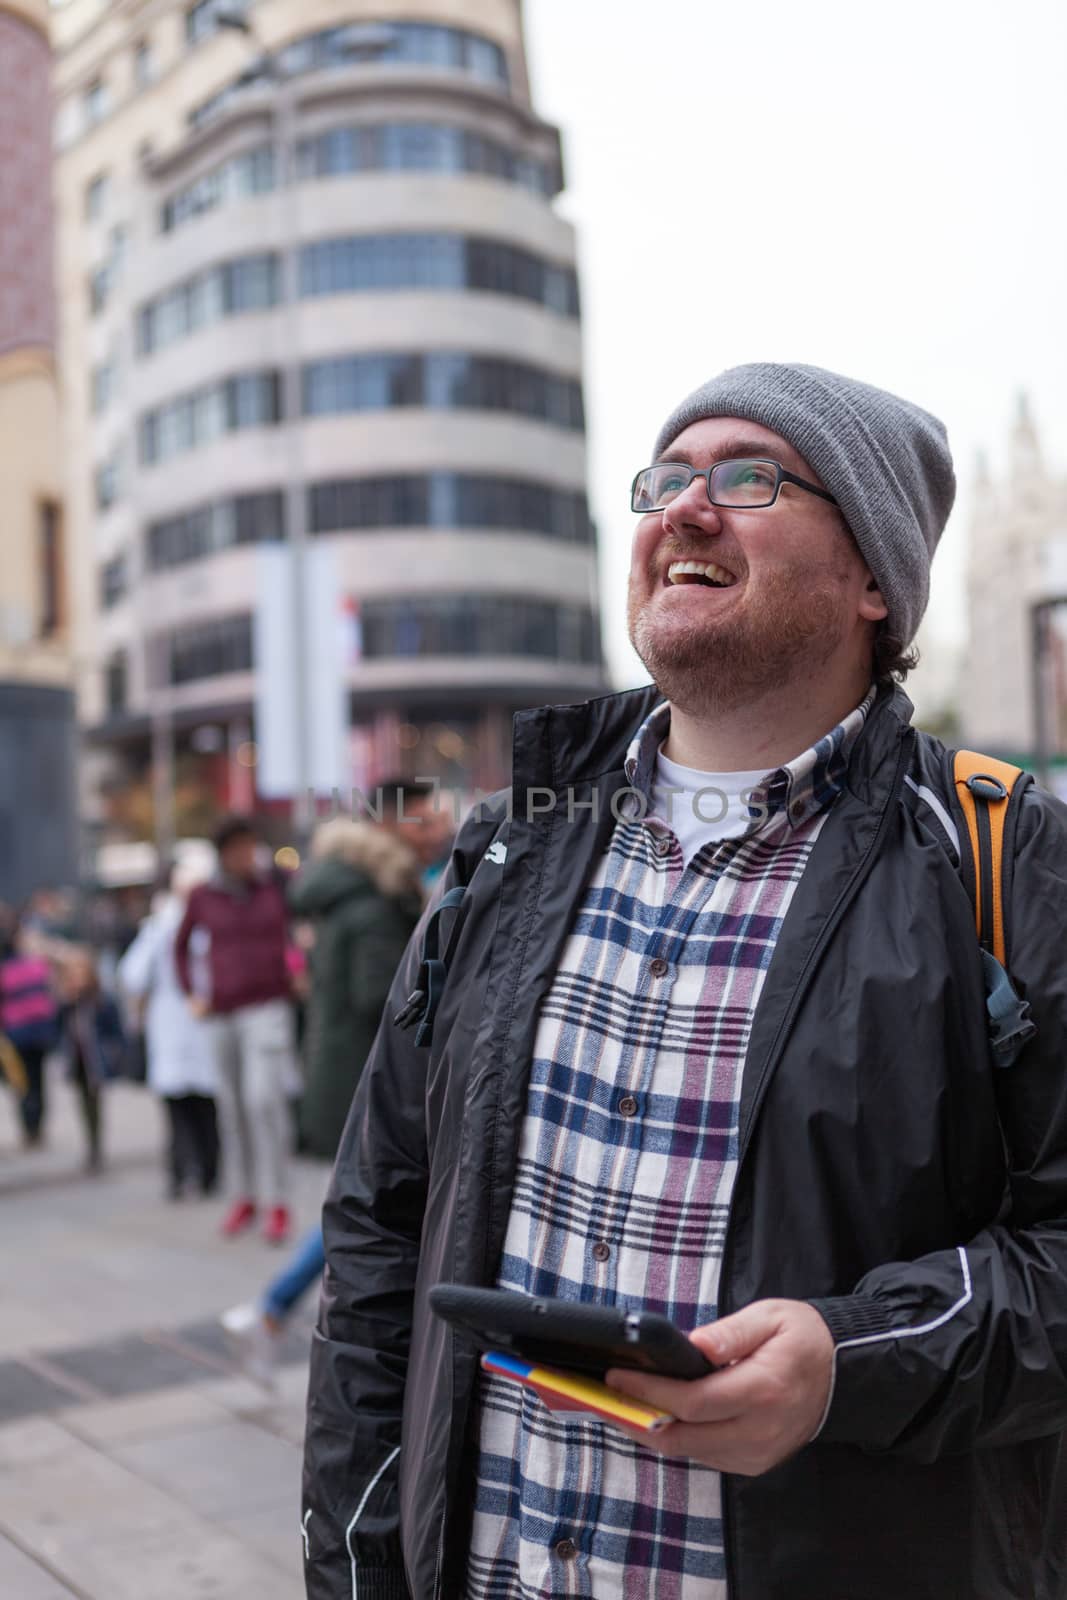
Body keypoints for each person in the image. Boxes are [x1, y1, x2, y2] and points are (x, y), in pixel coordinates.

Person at [300, 363, 1067, 1600]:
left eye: (748, 477)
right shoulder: (510, 847)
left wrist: (850, 1357)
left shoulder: (1007, 863)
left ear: (874, 578)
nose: (683, 510)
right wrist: (352, 1567)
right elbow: (382, 1236)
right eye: (663, 479)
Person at [222, 800, 425, 1383]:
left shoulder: (339, 896)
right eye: (421, 818)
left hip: (343, 1070)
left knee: (359, 1201)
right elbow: (384, 1001)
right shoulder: (374, 905)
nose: (432, 830)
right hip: (372, 1078)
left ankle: (272, 1309)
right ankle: (272, 1309)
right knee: (362, 1205)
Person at [175, 816, 297, 1244]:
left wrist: (297, 967)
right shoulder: (203, 896)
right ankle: (245, 1195)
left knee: (263, 1099)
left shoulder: (275, 886)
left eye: (253, 847)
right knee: (231, 1107)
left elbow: (296, 935)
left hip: (267, 1006)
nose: (249, 857)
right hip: (223, 1012)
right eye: (241, 849)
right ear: (224, 854)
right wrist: (191, 992)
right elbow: (181, 946)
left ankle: (278, 1199)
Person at [118, 861, 219, 1199]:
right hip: (186, 1025)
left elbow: (132, 974)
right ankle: (197, 1173)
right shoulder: (165, 925)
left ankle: (191, 1172)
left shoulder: (170, 923)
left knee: (189, 1108)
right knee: (195, 1107)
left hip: (192, 1025)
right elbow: (133, 973)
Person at [56, 948, 126, 1172]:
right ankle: (90, 1146)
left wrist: (113, 1054)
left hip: (96, 1060)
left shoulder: (101, 1001)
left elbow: (116, 1031)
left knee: (95, 1104)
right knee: (83, 1105)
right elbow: (56, 1029)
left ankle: (96, 1148)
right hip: (76, 1060)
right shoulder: (68, 1003)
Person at [0, 913, 60, 1146]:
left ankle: (30, 1126)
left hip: (17, 1033)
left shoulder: (8, 970)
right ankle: (36, 1126)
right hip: (38, 1031)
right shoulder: (35, 965)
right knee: (37, 1080)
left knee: (23, 1082)